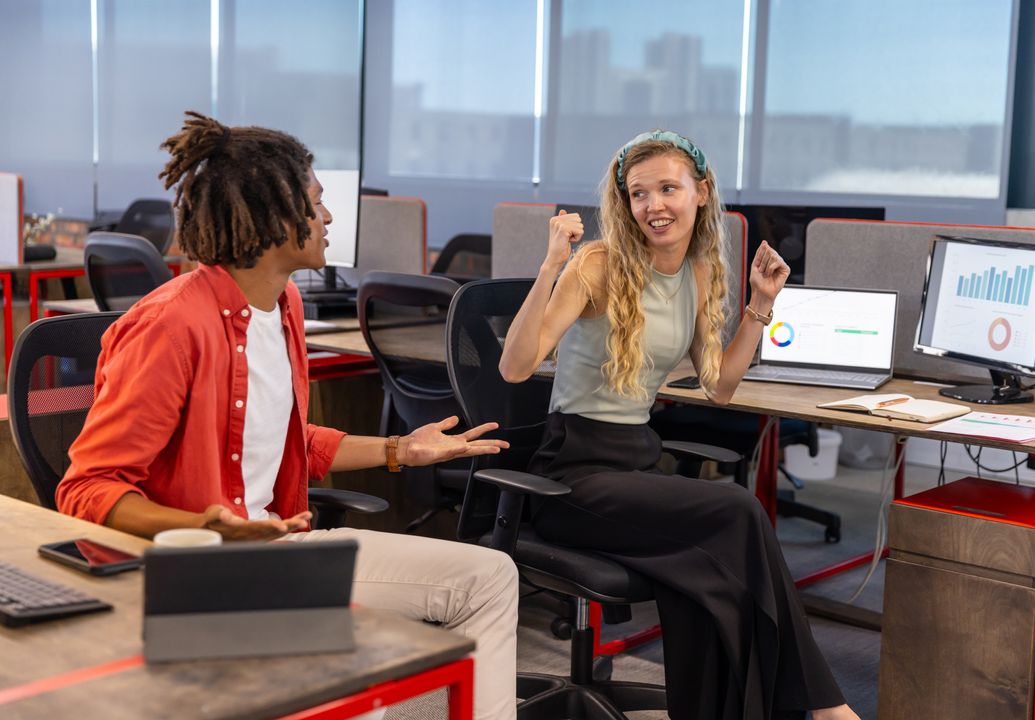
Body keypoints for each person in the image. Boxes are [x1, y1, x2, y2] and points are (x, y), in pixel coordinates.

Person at [56, 112, 518, 720]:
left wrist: (400, 450)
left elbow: (283, 437)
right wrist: (208, 527)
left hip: (282, 551)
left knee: (490, 575)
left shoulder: (285, 303)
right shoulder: (172, 326)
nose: (328, 218)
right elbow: (85, 489)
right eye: (317, 203)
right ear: (273, 217)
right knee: (359, 678)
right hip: (203, 570)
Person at [500, 130, 858, 720]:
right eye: (639, 194)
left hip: (635, 467)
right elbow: (514, 369)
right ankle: (824, 707)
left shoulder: (697, 271)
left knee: (705, 578)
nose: (653, 205)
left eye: (668, 188)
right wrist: (550, 265)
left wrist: (760, 305)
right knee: (738, 512)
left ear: (701, 191)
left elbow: (718, 386)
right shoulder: (597, 264)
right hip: (572, 478)